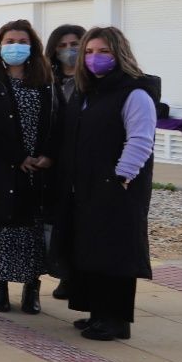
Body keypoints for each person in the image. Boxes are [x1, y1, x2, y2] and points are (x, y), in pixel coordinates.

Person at [54, 27, 157, 341]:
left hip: (116, 186)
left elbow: (140, 139)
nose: (93, 58)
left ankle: (114, 320)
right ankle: (98, 314)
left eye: (103, 52)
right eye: (89, 52)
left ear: (119, 54)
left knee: (115, 253)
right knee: (92, 249)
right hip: (86, 187)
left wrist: (121, 177)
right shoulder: (90, 92)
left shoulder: (134, 93)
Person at [0, 21, 54, 314]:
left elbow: (57, 123)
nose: (15, 46)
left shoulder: (46, 82)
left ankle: (32, 289)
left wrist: (47, 155)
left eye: (21, 41)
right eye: (9, 41)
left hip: (37, 169)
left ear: (32, 47)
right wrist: (18, 157)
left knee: (31, 229)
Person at [44, 23, 85, 301]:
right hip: (53, 164)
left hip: (82, 164)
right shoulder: (48, 82)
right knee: (56, 222)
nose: (69, 51)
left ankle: (78, 278)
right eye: (63, 46)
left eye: (75, 45)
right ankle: (65, 274)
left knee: (82, 224)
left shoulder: (91, 82)